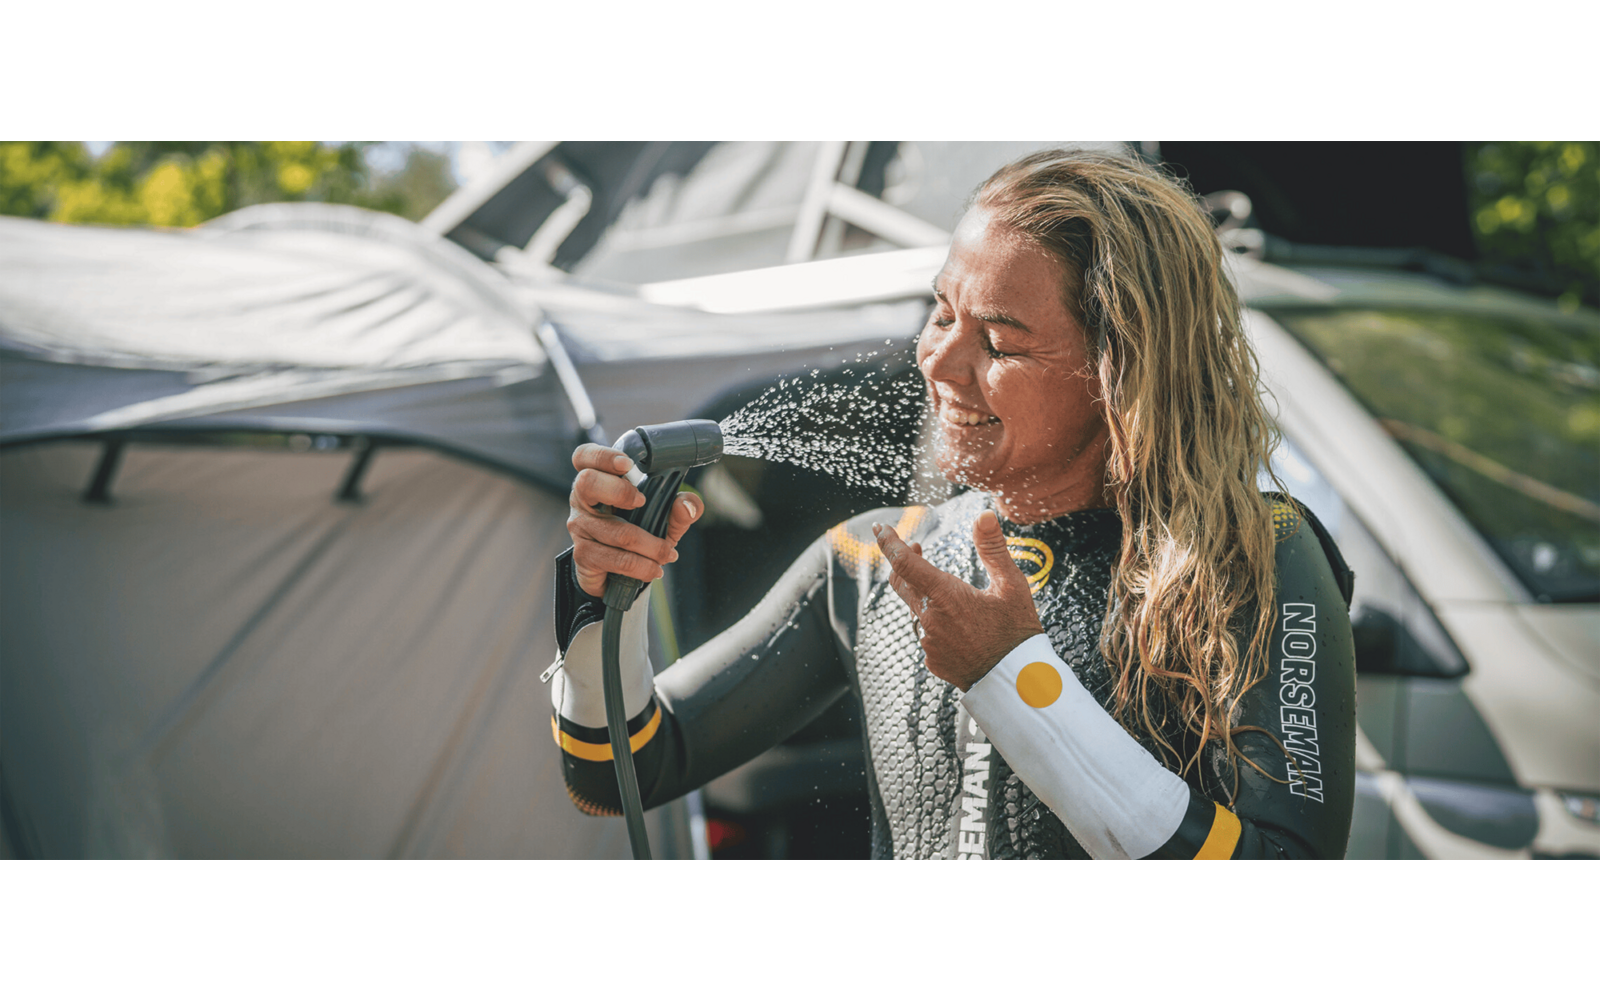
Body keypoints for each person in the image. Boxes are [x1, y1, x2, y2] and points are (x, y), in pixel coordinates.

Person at [551, 148, 1356, 859]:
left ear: (1122, 372)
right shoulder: (877, 558)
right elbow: (618, 774)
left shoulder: (1254, 551)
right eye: (941, 312)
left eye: (999, 342)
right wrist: (603, 604)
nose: (938, 361)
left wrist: (1014, 677)